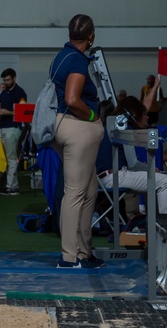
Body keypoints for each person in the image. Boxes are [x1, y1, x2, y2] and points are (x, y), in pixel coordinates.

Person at [51, 14, 104, 270]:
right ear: (91, 36)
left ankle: (84, 252)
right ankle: (69, 257)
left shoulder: (62, 56)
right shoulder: (78, 61)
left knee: (89, 190)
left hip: (63, 126)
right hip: (77, 128)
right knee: (75, 193)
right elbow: (73, 99)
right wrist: (93, 115)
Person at [96, 94, 167, 215]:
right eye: (144, 114)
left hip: (104, 177)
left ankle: (153, 226)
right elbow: (133, 164)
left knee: (153, 183)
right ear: (134, 115)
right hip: (115, 176)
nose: (147, 117)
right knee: (164, 181)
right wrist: (150, 169)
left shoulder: (112, 124)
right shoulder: (122, 127)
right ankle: (163, 228)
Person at [0, 68, 28, 195]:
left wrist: (8, 112)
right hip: (3, 128)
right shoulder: (4, 92)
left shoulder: (20, 93)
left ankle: (10, 187)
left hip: (13, 128)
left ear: (14, 78)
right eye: (4, 80)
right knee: (8, 158)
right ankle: (13, 186)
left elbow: (24, 113)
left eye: (8, 80)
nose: (6, 83)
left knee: (11, 158)